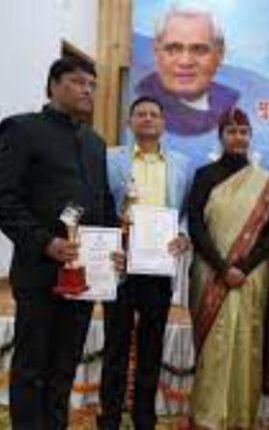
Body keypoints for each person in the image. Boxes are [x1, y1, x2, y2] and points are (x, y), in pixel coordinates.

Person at [0, 57, 121, 429]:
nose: (88, 90)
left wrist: (113, 248)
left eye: (92, 84)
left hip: (83, 277)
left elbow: (103, 204)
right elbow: (4, 199)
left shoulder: (95, 143)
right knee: (32, 367)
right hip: (40, 272)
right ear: (53, 84)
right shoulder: (22, 129)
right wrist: (45, 242)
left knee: (64, 367)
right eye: (78, 81)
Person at [187, 108, 269, 428]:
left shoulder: (267, 183)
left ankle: (241, 416)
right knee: (212, 345)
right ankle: (207, 416)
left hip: (250, 275)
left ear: (250, 136)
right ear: (221, 136)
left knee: (247, 341)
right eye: (231, 131)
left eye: (243, 132)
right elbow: (195, 225)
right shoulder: (204, 176)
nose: (238, 137)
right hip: (210, 271)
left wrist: (243, 266)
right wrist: (222, 267)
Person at [97, 96, 192, 430]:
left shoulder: (181, 164)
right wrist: (111, 242)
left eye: (154, 114)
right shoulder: (110, 159)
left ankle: (144, 419)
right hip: (120, 267)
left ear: (163, 123)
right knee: (115, 347)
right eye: (141, 114)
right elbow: (102, 205)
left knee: (151, 347)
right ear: (130, 122)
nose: (148, 118)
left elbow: (186, 211)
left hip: (158, 268)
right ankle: (109, 419)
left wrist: (183, 235)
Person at [135, 3, 237, 137]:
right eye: (173, 49)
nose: (185, 62)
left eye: (199, 49)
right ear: (156, 52)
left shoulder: (232, 101)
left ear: (220, 54)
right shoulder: (141, 100)